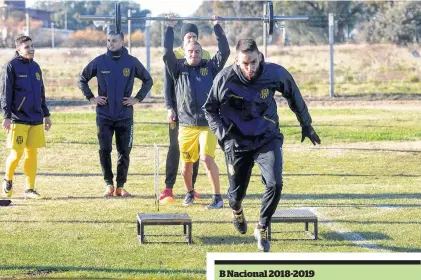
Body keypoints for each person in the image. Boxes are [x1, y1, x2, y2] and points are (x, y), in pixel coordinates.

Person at [204, 39, 321, 252]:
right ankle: (237, 210)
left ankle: (263, 225)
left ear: (260, 57)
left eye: (254, 63)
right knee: (236, 194)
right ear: (237, 61)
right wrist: (223, 135)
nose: (250, 68)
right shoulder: (225, 78)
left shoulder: (274, 74)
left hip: (267, 137)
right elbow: (210, 109)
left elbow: (294, 95)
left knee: (275, 184)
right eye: (245, 64)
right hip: (237, 142)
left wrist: (306, 124)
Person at [163, 16, 230, 209]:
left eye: (197, 51)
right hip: (186, 125)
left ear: (202, 53)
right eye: (191, 51)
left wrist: (217, 26)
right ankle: (189, 193)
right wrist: (169, 28)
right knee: (186, 164)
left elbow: (224, 51)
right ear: (184, 52)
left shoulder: (210, 67)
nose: (194, 54)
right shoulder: (178, 69)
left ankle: (217, 197)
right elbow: (167, 52)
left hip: (207, 124)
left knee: (206, 158)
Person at [78, 31, 153, 197]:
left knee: (124, 151)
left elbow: (148, 80)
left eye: (114, 41)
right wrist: (91, 98)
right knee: (105, 149)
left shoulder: (131, 62)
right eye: (108, 40)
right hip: (104, 115)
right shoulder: (100, 61)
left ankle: (120, 186)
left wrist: (137, 98)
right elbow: (82, 79)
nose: (110, 44)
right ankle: (108, 184)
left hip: (124, 115)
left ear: (122, 42)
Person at [159, 23, 212, 204]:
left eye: (194, 36)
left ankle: (191, 189)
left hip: (197, 113)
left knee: (195, 151)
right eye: (188, 36)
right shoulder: (174, 56)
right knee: (175, 147)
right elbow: (167, 84)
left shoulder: (204, 55)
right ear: (183, 39)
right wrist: (169, 107)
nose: (191, 39)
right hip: (178, 110)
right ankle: (168, 188)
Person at [1, 35, 52, 199]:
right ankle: (8, 180)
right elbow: (5, 93)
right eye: (26, 47)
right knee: (17, 154)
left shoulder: (36, 67)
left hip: (36, 118)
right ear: (18, 49)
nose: (31, 49)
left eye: (32, 46)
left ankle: (29, 189)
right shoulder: (10, 67)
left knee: (32, 154)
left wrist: (46, 114)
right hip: (18, 118)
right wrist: (7, 116)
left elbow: (41, 93)